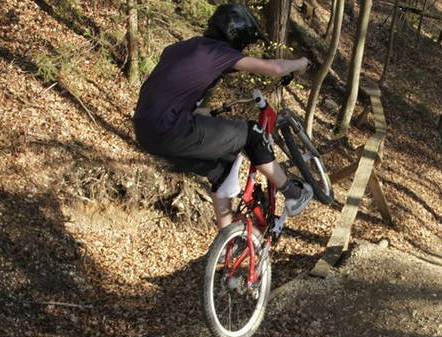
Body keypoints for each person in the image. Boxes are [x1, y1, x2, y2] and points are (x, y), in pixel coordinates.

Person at [132, 3, 313, 230]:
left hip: (146, 132)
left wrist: (198, 113)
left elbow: (169, 92)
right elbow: (274, 68)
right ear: (235, 34)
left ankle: (227, 238)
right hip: (172, 129)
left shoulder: (180, 48)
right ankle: (293, 192)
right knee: (252, 133)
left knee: (223, 171)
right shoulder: (216, 51)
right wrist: (300, 63)